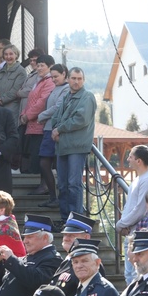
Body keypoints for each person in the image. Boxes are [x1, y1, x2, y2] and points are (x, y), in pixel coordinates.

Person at [51, 67, 97, 222]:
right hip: (62, 146)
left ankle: (76, 221)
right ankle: (65, 220)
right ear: (68, 79)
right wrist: (55, 129)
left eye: (79, 78)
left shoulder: (87, 97)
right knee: (62, 185)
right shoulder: (66, 97)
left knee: (73, 184)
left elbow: (81, 120)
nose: (76, 81)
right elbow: (56, 116)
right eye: (74, 78)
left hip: (77, 147)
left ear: (83, 80)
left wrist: (59, 129)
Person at [116, 145, 148, 284]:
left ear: (139, 161)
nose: (128, 159)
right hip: (131, 232)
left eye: (130, 156)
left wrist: (121, 224)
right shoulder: (138, 179)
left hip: (140, 234)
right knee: (129, 274)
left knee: (136, 275)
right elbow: (131, 206)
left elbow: (141, 208)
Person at [49, 212, 98, 296]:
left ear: (86, 237)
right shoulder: (67, 260)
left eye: (72, 235)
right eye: (65, 234)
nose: (66, 238)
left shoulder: (92, 264)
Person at [37, 64, 70, 207]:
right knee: (45, 163)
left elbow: (58, 107)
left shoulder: (66, 89)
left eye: (56, 76)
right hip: (48, 128)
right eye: (52, 77)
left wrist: (41, 115)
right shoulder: (56, 88)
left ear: (64, 74)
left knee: (50, 164)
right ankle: (53, 196)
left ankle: (58, 197)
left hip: (55, 129)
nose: (54, 79)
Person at [20, 54, 56, 176]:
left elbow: (42, 101)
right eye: (38, 65)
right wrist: (23, 113)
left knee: (37, 154)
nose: (39, 68)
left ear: (50, 66)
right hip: (32, 124)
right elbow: (31, 100)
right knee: (32, 152)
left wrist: (27, 115)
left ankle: (39, 184)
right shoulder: (39, 81)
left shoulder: (50, 81)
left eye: (42, 65)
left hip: (40, 124)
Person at [0, 44, 26, 117]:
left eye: (11, 54)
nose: (8, 57)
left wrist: (1, 100)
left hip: (12, 108)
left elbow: (15, 90)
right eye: (6, 54)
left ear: (16, 55)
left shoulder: (21, 71)